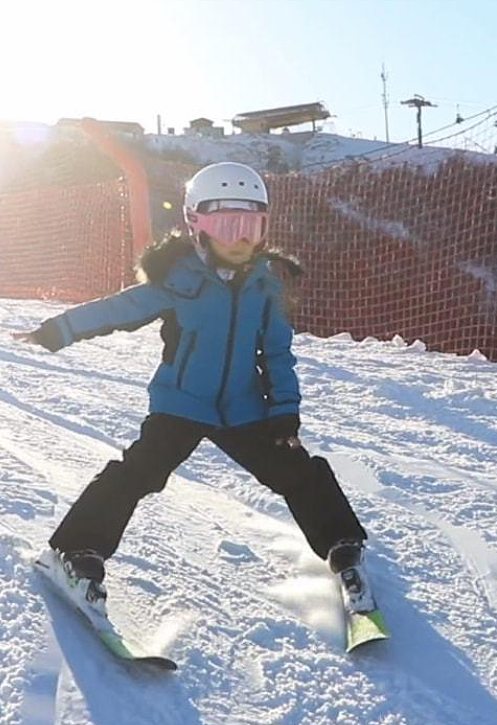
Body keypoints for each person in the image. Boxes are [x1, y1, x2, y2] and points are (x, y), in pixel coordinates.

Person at [14, 162, 372, 614]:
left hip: (244, 407)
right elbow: (118, 309)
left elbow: (277, 354)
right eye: (227, 225)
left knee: (296, 470)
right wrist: (59, 329)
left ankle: (343, 547)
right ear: (197, 225)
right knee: (138, 472)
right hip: (181, 402)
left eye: (252, 225)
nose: (241, 238)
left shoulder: (266, 286)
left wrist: (284, 410)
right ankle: (77, 551)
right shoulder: (178, 281)